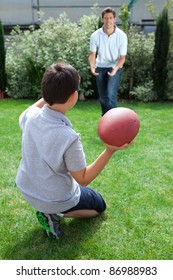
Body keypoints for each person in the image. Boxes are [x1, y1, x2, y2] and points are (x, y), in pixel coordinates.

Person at [16, 62, 132, 239]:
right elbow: (83, 179)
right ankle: (54, 214)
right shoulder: (68, 137)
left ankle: (49, 211)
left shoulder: (30, 115)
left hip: (28, 188)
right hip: (54, 198)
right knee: (99, 205)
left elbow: (40, 104)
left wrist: (52, 90)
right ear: (73, 96)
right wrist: (109, 150)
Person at [88, 7, 128, 115]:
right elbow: (92, 55)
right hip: (100, 66)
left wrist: (115, 69)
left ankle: (114, 120)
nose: (108, 21)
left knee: (111, 94)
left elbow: (122, 57)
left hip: (114, 66)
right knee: (103, 97)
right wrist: (92, 67)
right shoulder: (95, 36)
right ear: (102, 20)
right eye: (105, 18)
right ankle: (106, 119)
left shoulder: (122, 36)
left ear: (114, 19)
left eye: (110, 18)